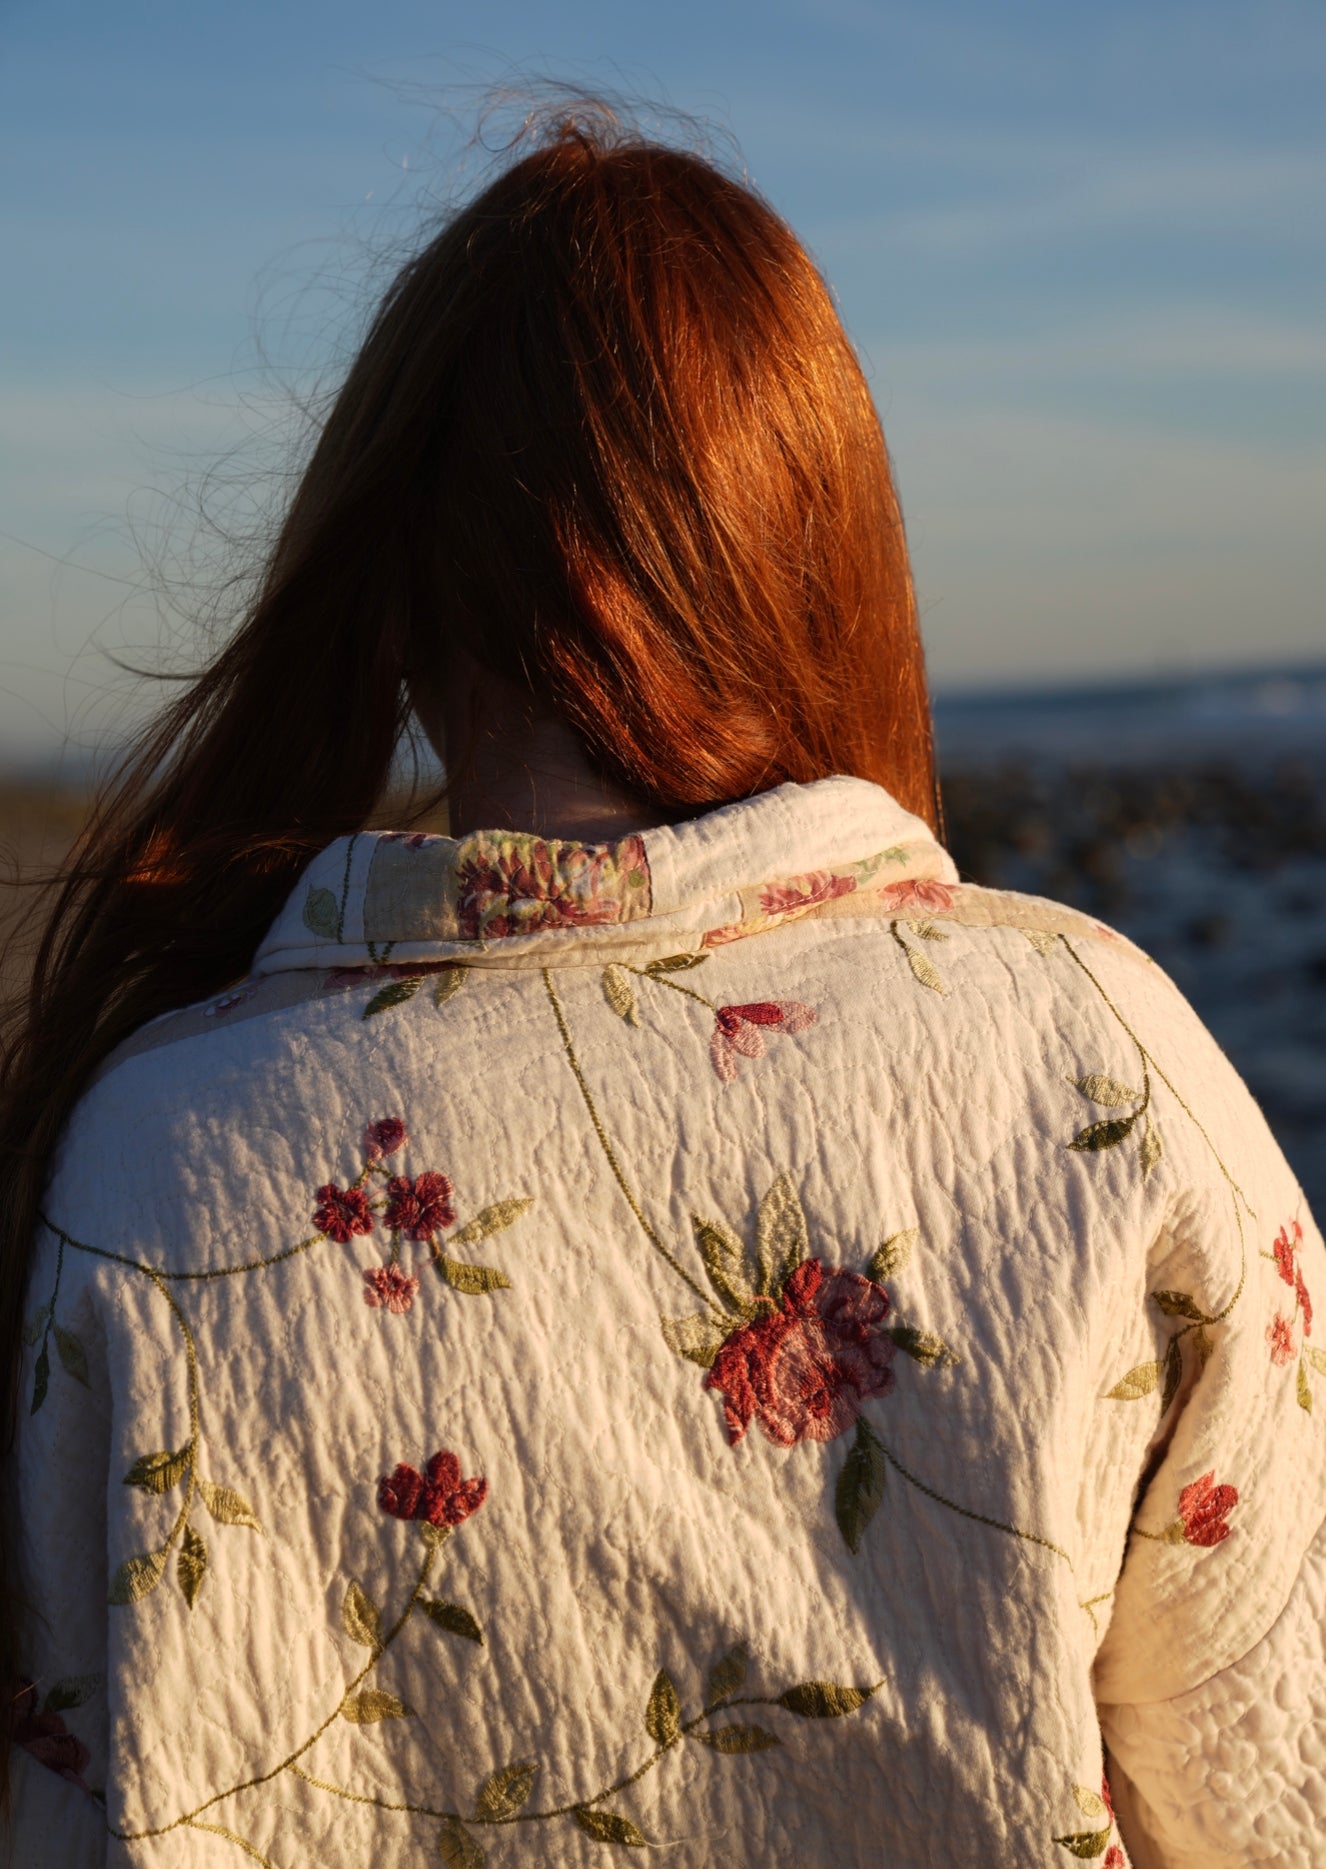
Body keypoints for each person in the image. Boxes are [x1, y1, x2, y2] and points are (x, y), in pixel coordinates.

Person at [2, 105, 1322, 1869]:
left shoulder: (149, 1163)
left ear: (393, 603)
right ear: (823, 572)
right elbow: (1268, 1784)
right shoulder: (1102, 1070)